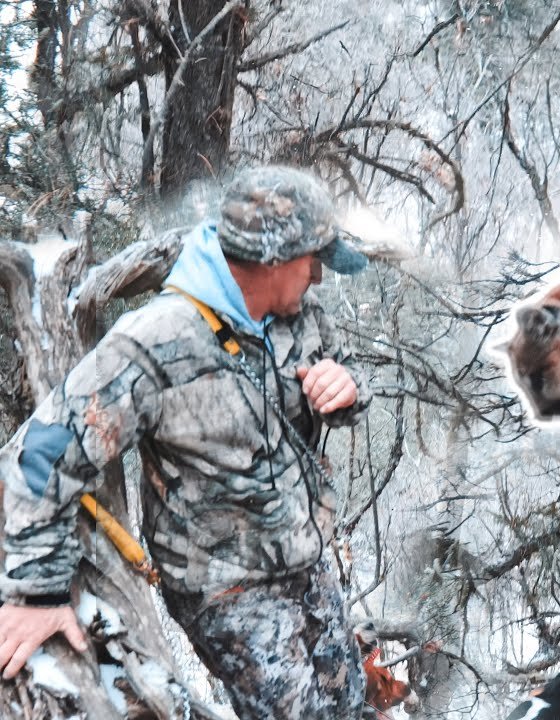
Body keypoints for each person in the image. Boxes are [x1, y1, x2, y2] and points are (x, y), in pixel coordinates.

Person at [0, 165, 373, 718]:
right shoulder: (156, 342)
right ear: (273, 262)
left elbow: (336, 375)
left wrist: (347, 390)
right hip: (228, 588)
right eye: (312, 261)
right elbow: (39, 458)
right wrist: (37, 593)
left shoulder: (300, 315)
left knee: (350, 702)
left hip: (305, 560)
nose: (318, 277)